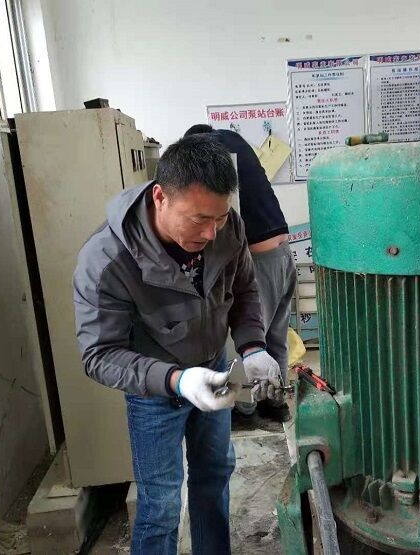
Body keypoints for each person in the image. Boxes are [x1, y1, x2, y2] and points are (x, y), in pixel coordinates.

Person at [73, 134, 283, 555]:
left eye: (219, 218)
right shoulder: (107, 259)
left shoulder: (227, 227)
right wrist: (177, 380)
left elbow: (244, 290)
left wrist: (252, 347)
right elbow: (99, 355)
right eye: (198, 219)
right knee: (162, 501)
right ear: (160, 197)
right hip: (155, 390)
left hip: (215, 369)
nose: (210, 232)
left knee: (215, 474)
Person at [184, 124, 297, 423]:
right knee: (275, 338)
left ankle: (245, 410)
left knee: (248, 343)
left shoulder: (211, 150)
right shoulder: (234, 139)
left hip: (260, 260)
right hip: (283, 253)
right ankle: (276, 404)